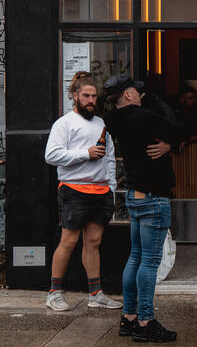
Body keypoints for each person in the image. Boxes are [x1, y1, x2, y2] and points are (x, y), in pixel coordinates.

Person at [104, 73, 182, 343]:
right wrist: (171, 143)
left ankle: (129, 317)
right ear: (128, 95)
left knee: (136, 256)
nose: (140, 94)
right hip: (153, 196)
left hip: (135, 196)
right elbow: (176, 126)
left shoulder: (113, 120)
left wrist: (169, 143)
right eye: (137, 91)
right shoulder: (145, 118)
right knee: (149, 261)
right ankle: (145, 322)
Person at [43, 72, 122, 311]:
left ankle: (95, 294)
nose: (91, 100)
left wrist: (111, 186)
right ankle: (54, 293)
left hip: (101, 191)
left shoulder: (100, 123)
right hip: (74, 189)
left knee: (94, 242)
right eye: (86, 95)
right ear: (75, 96)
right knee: (68, 241)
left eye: (94, 96)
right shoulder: (64, 123)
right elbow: (51, 156)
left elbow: (109, 156)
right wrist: (84, 154)